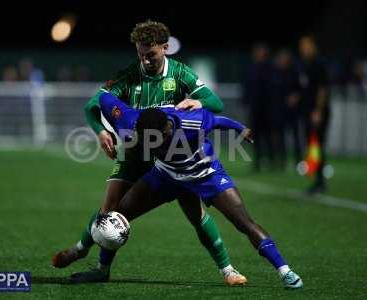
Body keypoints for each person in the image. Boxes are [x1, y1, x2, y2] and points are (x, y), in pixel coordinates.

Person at [53, 20, 245, 286]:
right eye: (140, 54)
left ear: (165, 48)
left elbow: (216, 103)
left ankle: (228, 270)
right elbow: (91, 106)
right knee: (110, 210)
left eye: (150, 54)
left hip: (171, 154)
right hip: (135, 152)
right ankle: (92, 260)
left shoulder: (180, 73)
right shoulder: (129, 75)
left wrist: (198, 101)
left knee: (195, 213)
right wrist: (101, 132)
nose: (145, 60)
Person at [92, 91, 303, 289]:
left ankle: (286, 272)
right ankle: (102, 270)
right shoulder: (132, 122)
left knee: (244, 222)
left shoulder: (193, 121)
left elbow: (219, 121)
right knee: (118, 214)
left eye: (157, 139)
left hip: (205, 175)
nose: (154, 144)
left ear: (167, 128)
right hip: (166, 175)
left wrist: (241, 128)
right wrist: (103, 129)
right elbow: (103, 98)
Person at [297, 36, 330, 193]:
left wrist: (318, 110)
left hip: (317, 112)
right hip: (307, 112)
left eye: (306, 46)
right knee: (312, 145)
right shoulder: (305, 65)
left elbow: (322, 89)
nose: (304, 49)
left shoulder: (319, 64)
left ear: (312, 46)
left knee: (317, 145)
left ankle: (319, 182)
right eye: (302, 46)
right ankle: (316, 179)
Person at [243, 43, 274, 171]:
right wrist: (245, 100)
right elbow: (247, 86)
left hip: (266, 108)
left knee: (268, 136)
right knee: (255, 136)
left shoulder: (269, 68)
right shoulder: (251, 68)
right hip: (255, 108)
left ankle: (272, 160)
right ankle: (257, 161)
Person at [270, 49, 302, 168]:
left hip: (292, 111)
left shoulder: (294, 73)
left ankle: (298, 161)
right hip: (279, 111)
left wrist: (295, 96)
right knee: (280, 137)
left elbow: (300, 90)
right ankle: (281, 161)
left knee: (295, 136)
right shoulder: (275, 73)